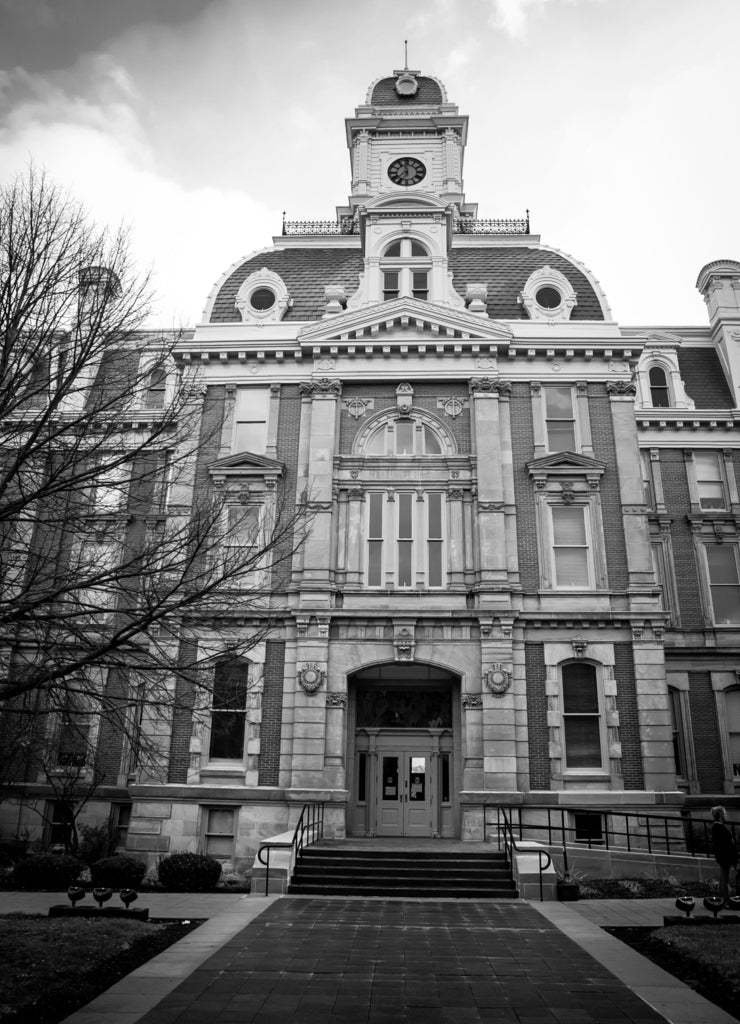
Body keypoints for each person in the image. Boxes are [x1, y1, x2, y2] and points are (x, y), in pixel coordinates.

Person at [711, 805, 737, 905]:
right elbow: (724, 843)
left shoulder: (717, 827)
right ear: (721, 815)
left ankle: (722, 898)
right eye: (724, 813)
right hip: (725, 856)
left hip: (723, 856)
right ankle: (725, 900)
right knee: (724, 878)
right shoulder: (719, 827)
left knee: (723, 877)